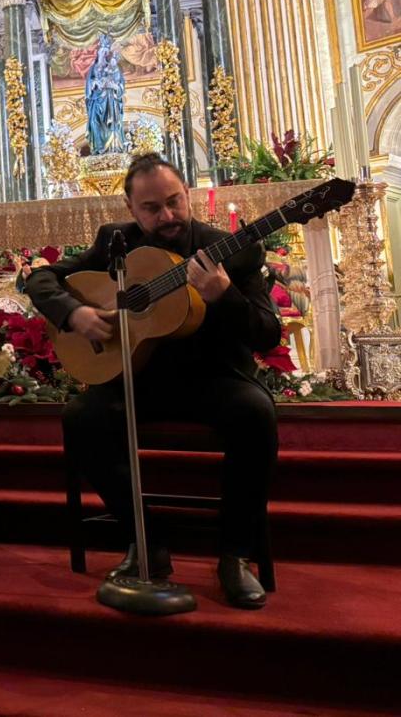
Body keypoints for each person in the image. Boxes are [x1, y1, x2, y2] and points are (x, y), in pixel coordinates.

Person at [25, 153, 281, 608]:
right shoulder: (114, 243)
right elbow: (42, 278)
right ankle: (147, 542)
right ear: (130, 207)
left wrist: (223, 297)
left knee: (255, 413)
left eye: (174, 202)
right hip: (137, 379)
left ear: (189, 195)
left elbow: (266, 332)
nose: (166, 216)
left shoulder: (233, 248)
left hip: (213, 380)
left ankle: (234, 556)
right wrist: (74, 312)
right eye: (151, 208)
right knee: (80, 418)